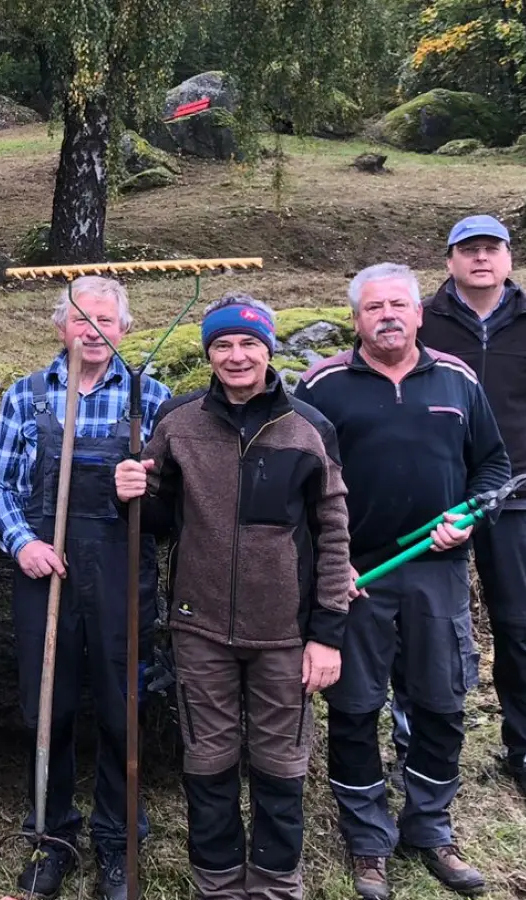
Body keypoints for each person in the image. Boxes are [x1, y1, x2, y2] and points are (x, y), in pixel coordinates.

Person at [112, 295, 350, 900]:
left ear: (268, 349)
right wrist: (133, 491)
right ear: (209, 353)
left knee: (280, 762)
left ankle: (274, 883)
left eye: (249, 344)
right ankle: (216, 881)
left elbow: (333, 532)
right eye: (222, 345)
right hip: (200, 627)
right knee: (208, 760)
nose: (236, 356)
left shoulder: (308, 427)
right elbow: (160, 518)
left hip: (285, 632)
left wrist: (327, 633)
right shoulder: (178, 420)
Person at [294, 264, 510, 899]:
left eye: (398, 304)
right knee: (356, 709)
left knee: (442, 704)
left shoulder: (458, 379)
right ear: (354, 318)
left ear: (419, 313)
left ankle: (431, 828)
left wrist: (469, 517)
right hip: (356, 577)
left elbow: (494, 465)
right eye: (372, 307)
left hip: (437, 574)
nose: (386, 315)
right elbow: (297, 487)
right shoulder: (323, 385)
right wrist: (330, 566)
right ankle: (367, 842)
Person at [0, 276, 170, 900]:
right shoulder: (26, 396)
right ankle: (52, 836)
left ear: (125, 330)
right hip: (48, 573)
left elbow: (173, 501)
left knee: (124, 710)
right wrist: (24, 543)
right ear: (60, 326)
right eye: (81, 319)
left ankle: (119, 840)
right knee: (50, 709)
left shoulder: (152, 398)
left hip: (122, 574)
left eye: (106, 321)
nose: (93, 332)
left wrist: (146, 491)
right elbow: (2, 489)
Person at [409, 215, 526, 818]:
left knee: (522, 627)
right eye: (468, 249)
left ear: (508, 257)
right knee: (425, 627)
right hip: (440, 496)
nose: (481, 259)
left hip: (516, 496)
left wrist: (511, 463)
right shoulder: (426, 318)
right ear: (449, 259)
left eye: (491, 249)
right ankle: (415, 747)